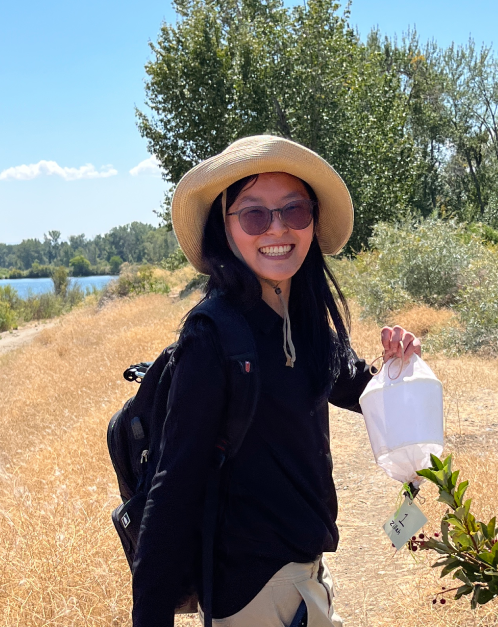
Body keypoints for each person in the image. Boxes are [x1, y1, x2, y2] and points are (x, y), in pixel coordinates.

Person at [131, 135, 421, 627]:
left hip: (305, 582)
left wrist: (399, 365)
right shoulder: (212, 338)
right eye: (254, 215)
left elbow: (355, 385)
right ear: (225, 229)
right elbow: (173, 488)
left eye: (294, 211)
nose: (277, 229)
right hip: (252, 596)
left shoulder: (304, 322)